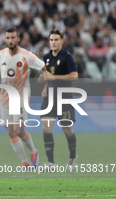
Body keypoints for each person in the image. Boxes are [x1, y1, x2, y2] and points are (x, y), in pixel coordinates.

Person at [0, 27, 47, 170]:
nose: (10, 40)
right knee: (10, 131)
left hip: (20, 96)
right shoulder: (0, 55)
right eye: (7, 38)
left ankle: (33, 151)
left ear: (18, 39)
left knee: (18, 130)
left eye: (13, 37)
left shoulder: (26, 56)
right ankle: (25, 162)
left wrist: (45, 78)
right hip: (5, 97)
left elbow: (45, 67)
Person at [38, 30, 78, 171]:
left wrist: (54, 78)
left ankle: (73, 157)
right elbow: (49, 74)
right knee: (45, 127)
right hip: (50, 97)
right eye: (51, 40)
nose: (53, 42)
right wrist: (46, 84)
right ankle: (50, 162)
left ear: (62, 41)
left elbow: (74, 76)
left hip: (64, 97)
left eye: (56, 40)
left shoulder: (67, 57)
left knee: (67, 130)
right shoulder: (47, 57)